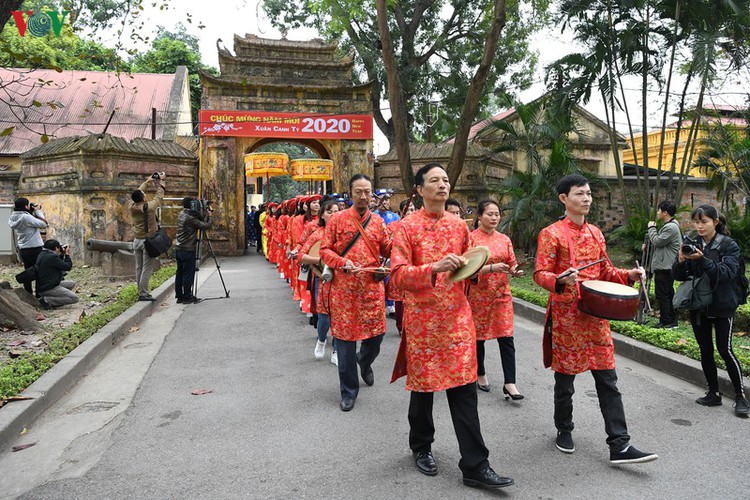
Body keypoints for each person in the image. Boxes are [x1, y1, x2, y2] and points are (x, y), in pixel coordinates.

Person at [390, 163, 513, 490]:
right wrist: (434, 267)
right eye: (434, 180)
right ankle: (421, 445)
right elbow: (399, 275)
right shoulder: (406, 228)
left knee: (464, 390)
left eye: (445, 180)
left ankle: (475, 464)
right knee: (424, 390)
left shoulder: (460, 226)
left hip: (458, 318)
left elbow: (467, 270)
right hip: (422, 320)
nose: (442, 185)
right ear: (419, 189)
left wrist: (481, 267)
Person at [533, 174, 658, 465]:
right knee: (565, 382)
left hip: (596, 318)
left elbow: (606, 273)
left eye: (589, 193)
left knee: (608, 380)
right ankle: (564, 429)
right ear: (564, 198)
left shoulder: (595, 233)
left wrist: (629, 275)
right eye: (580, 194)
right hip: (567, 318)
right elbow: (540, 274)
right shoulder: (551, 233)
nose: (586, 198)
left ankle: (620, 444)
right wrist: (560, 280)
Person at [320, 174, 390, 412]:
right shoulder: (337, 220)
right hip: (344, 291)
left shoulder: (379, 222)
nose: (363, 196)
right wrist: (341, 263)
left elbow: (389, 248)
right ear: (350, 194)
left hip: (372, 289)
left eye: (367, 192)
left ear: (372, 194)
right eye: (358, 192)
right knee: (346, 343)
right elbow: (324, 251)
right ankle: (349, 391)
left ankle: (365, 361)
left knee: (377, 337)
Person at [672, 204, 750, 417]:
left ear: (715, 222)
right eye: (696, 222)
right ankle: (713, 393)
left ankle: (740, 397)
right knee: (705, 349)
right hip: (699, 305)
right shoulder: (693, 244)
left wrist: (703, 259)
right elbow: (679, 276)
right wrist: (680, 261)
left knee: (725, 349)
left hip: (723, 304)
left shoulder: (728, 246)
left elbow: (725, 273)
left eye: (704, 222)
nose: (699, 226)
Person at [468, 200, 524, 400]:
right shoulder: (471, 239)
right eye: (489, 214)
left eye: (497, 214)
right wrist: (491, 268)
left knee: (506, 336)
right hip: (477, 294)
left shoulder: (504, 239)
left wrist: (515, 271)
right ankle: (480, 373)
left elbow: (511, 262)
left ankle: (510, 382)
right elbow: (466, 269)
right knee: (479, 337)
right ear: (479, 216)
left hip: (501, 294)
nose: (494, 218)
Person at [300, 199, 339, 363]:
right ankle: (321, 340)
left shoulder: (346, 232)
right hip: (322, 278)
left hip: (343, 279)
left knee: (340, 315)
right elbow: (301, 256)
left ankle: (337, 350)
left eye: (337, 211)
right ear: (322, 215)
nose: (334, 215)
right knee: (324, 315)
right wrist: (320, 260)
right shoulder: (317, 233)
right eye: (330, 212)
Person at [128, 173, 165, 302]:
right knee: (147, 268)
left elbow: (138, 192)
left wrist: (147, 182)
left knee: (139, 267)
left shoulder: (132, 207)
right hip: (147, 241)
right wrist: (161, 183)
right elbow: (158, 197)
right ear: (143, 198)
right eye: (144, 195)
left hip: (136, 240)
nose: (144, 194)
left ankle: (140, 291)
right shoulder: (148, 208)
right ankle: (143, 293)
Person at [646, 200, 681, 328]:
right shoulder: (670, 225)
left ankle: (667, 321)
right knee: (667, 293)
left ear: (665, 212)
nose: (657, 212)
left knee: (662, 295)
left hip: (665, 266)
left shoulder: (671, 227)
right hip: (666, 265)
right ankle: (670, 320)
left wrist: (651, 228)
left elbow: (658, 241)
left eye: (659, 210)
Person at [174, 197, 213, 304]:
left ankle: (179, 296)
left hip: (179, 248)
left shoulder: (182, 214)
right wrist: (209, 216)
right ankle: (187, 296)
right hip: (187, 249)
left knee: (180, 273)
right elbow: (206, 226)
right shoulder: (191, 218)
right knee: (188, 274)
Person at [8, 197, 47, 295]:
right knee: (39, 271)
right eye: (29, 205)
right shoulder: (26, 217)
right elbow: (43, 224)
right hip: (34, 247)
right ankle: (39, 294)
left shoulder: (13, 216)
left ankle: (28, 294)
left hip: (23, 248)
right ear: (25, 206)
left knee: (28, 271)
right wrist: (38, 211)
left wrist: (31, 211)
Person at [35, 239, 78, 309]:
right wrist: (67, 254)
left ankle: (55, 300)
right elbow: (67, 267)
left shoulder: (42, 254)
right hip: (48, 288)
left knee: (71, 284)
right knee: (75, 298)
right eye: (59, 247)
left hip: (44, 285)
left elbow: (58, 264)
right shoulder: (51, 257)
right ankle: (46, 300)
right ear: (56, 248)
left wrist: (61, 254)